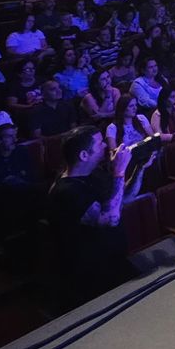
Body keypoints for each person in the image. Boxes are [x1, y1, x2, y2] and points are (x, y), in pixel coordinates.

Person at [46, 126, 147, 307]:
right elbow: (110, 219)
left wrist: (140, 168)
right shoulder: (66, 190)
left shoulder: (93, 174)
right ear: (84, 155)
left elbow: (121, 199)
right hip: (91, 275)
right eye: (99, 144)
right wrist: (119, 172)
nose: (105, 147)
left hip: (112, 261)